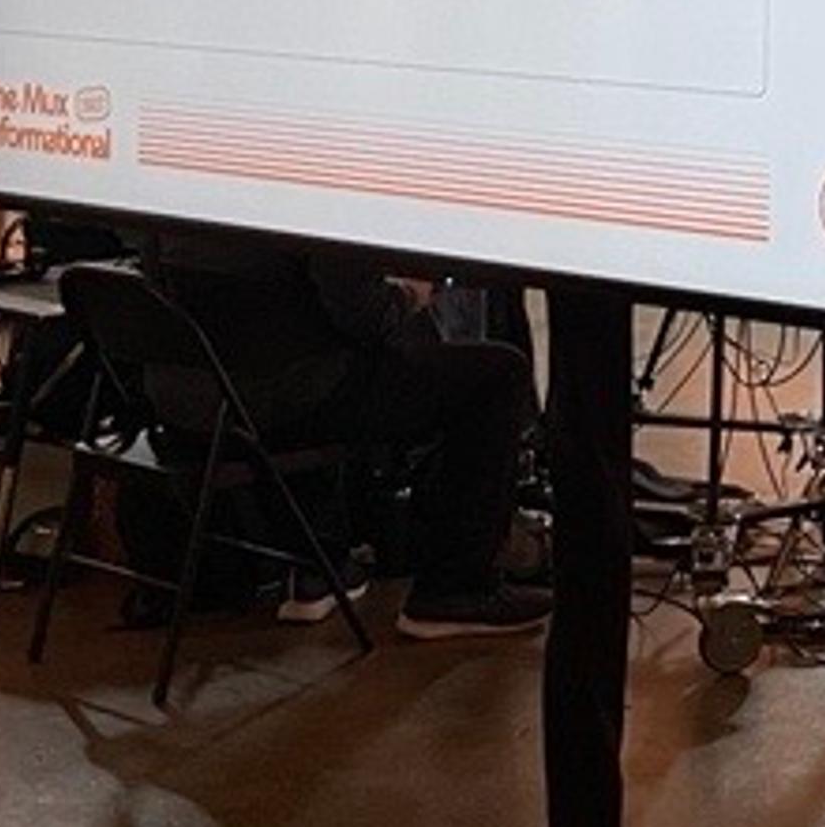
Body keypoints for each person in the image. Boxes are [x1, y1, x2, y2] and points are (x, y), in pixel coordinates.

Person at [138, 230, 549, 637]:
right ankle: (455, 589)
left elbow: (153, 284)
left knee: (326, 353)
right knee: (496, 375)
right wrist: (412, 294)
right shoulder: (319, 194)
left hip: (184, 404)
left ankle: (321, 562)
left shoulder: (180, 187)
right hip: (280, 403)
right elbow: (366, 316)